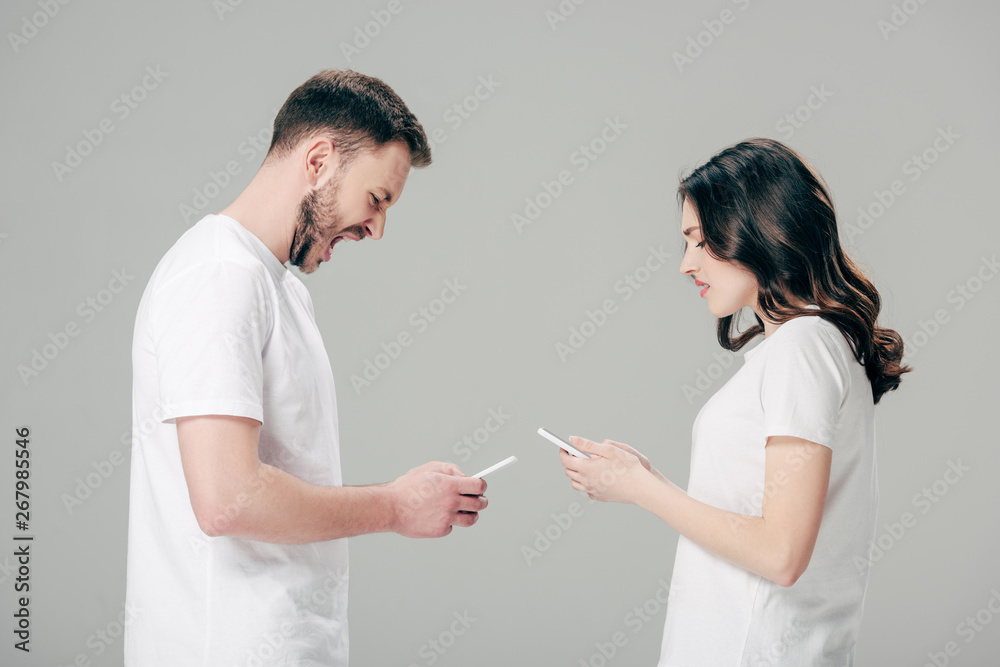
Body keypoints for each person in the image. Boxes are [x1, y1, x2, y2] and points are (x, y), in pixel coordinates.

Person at [124, 69, 489, 667]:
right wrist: (397, 506)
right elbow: (228, 499)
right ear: (318, 160)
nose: (376, 229)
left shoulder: (281, 290)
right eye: (376, 200)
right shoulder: (220, 276)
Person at [558, 138, 911, 665]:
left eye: (700, 241)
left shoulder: (803, 347)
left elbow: (782, 553)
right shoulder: (804, 347)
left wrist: (639, 490)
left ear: (757, 229)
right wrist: (645, 478)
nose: (685, 264)